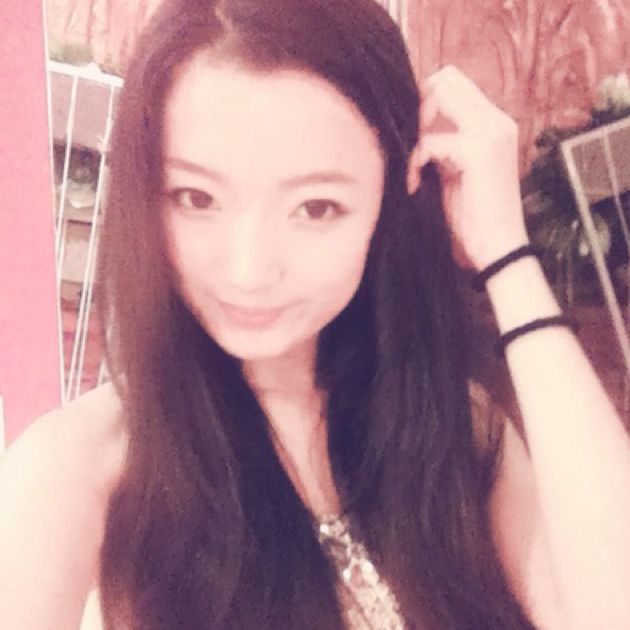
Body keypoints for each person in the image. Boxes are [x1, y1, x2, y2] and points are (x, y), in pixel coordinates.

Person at [1, 0, 630, 628]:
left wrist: (506, 252)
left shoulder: (450, 425)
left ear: (390, 198)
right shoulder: (79, 470)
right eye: (195, 197)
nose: (249, 271)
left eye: (316, 208)